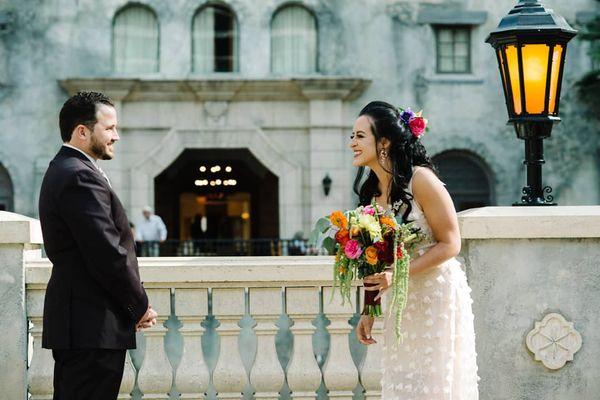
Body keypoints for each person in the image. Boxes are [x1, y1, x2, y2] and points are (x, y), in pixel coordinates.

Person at [351, 101, 478, 399]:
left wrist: (395, 274)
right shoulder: (372, 194)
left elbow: (450, 243)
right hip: (402, 298)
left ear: (384, 142)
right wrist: (369, 309)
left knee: (434, 384)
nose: (352, 143)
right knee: (405, 382)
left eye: (359, 136)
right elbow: (375, 258)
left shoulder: (421, 180)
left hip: (436, 293)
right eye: (351, 136)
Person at [38, 91, 158, 400]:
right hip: (91, 326)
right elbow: (107, 252)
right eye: (109, 128)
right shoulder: (78, 175)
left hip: (84, 325)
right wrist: (139, 305)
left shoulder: (68, 169)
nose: (116, 136)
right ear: (82, 131)